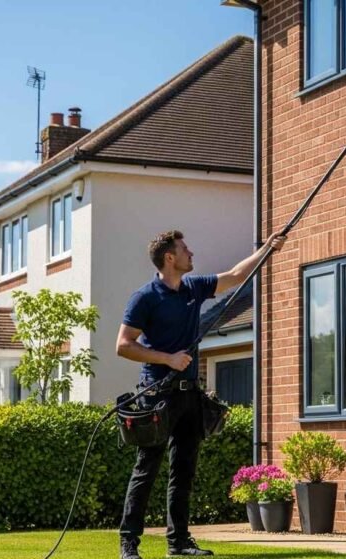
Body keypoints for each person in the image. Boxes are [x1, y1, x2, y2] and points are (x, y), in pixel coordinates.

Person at [116, 230, 286, 559]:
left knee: (184, 470)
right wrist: (168, 359)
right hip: (158, 396)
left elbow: (236, 276)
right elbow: (123, 345)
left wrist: (266, 248)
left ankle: (178, 543)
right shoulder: (145, 298)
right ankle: (129, 545)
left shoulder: (194, 288)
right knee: (146, 469)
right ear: (169, 258)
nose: (191, 253)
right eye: (184, 249)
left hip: (190, 395)